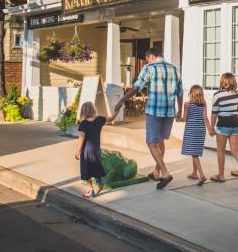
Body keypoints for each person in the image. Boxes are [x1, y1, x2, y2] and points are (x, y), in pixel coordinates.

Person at [114, 47, 183, 190]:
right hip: (169, 111)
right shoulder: (175, 69)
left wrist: (122, 100)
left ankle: (165, 172)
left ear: (151, 56)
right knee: (160, 141)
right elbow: (180, 92)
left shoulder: (149, 68)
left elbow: (136, 88)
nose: (147, 61)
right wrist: (180, 111)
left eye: (147, 59)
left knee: (152, 143)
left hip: (154, 111)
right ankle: (156, 172)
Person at [210, 72, 238, 188]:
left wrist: (211, 127)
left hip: (223, 124)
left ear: (222, 82)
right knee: (236, 151)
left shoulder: (217, 95)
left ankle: (221, 175)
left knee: (221, 151)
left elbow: (214, 113)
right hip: (235, 124)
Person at [177, 84, 213, 185]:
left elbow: (184, 119)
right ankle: (194, 173)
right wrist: (210, 129)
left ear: (191, 94)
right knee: (195, 152)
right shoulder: (204, 103)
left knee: (194, 154)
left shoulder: (187, 104)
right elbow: (205, 118)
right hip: (201, 130)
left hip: (191, 130)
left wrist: (178, 119)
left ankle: (201, 175)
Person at [74, 101, 112, 198]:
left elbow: (81, 138)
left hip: (86, 151)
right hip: (96, 149)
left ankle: (91, 190)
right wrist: (116, 110)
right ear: (93, 110)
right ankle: (99, 182)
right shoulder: (99, 120)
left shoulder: (83, 124)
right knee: (96, 167)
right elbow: (111, 118)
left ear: (83, 111)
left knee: (86, 171)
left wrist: (77, 151)